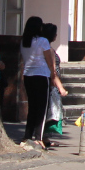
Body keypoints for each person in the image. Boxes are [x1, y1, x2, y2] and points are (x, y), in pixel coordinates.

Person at [20, 16, 66, 150]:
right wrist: (53, 73)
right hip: (41, 75)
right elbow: (49, 60)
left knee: (32, 107)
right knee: (41, 108)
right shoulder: (43, 41)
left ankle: (27, 136)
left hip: (28, 75)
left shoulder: (24, 41)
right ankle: (38, 137)